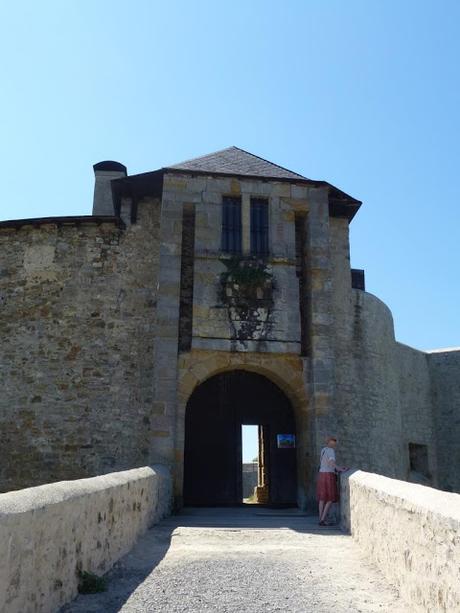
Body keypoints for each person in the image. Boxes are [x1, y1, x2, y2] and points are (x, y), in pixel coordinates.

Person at [317, 436, 348, 526]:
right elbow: (331, 463)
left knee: (322, 498)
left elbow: (325, 463)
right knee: (330, 498)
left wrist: (338, 467)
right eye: (332, 443)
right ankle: (322, 520)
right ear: (329, 443)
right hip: (328, 475)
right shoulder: (331, 451)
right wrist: (340, 469)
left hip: (321, 474)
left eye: (334, 443)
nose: (334, 444)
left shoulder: (323, 450)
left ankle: (320, 518)